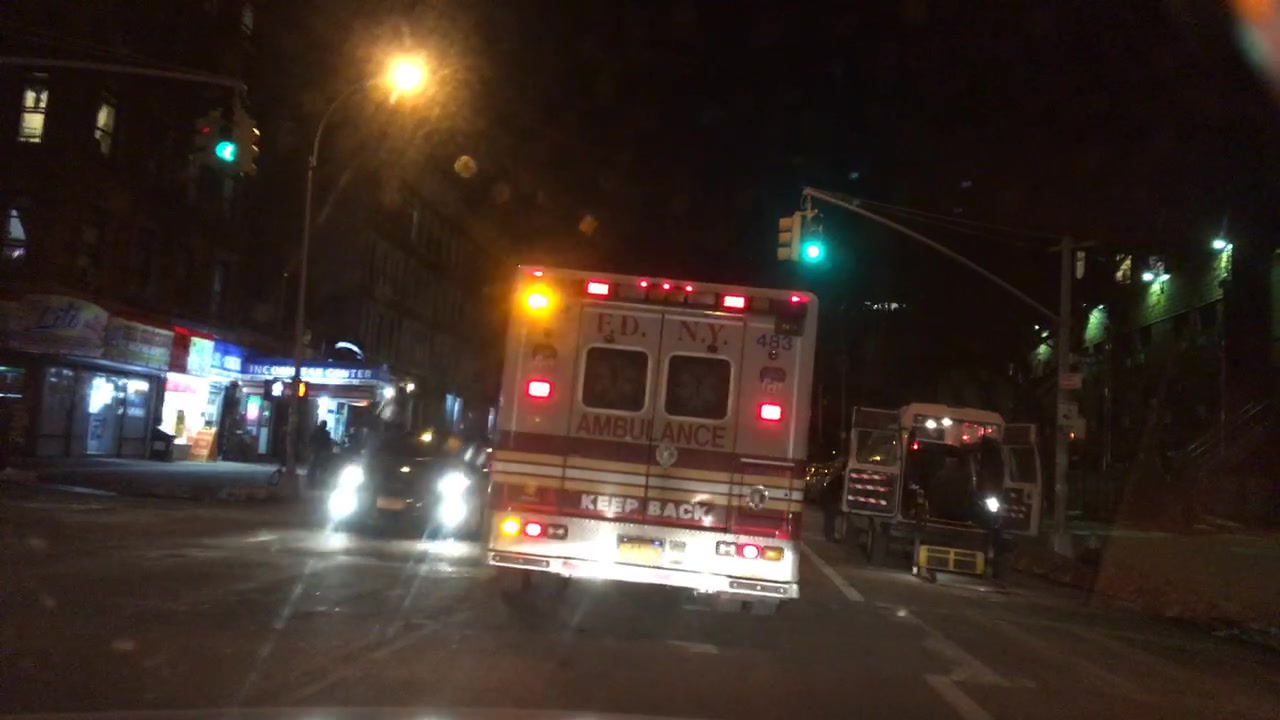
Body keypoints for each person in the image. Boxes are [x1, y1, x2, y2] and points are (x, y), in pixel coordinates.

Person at [820, 466, 845, 542]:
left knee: (829, 518)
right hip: (831, 500)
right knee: (831, 518)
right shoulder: (840, 479)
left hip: (828, 500)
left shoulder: (836, 478)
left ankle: (829, 535)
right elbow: (836, 490)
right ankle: (831, 536)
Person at [307, 420, 333, 488]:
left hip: (319, 452)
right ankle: (314, 481)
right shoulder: (319, 432)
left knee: (316, 466)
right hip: (318, 451)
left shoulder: (319, 432)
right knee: (315, 466)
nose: (324, 426)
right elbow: (311, 440)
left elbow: (327, 443)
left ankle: (313, 481)